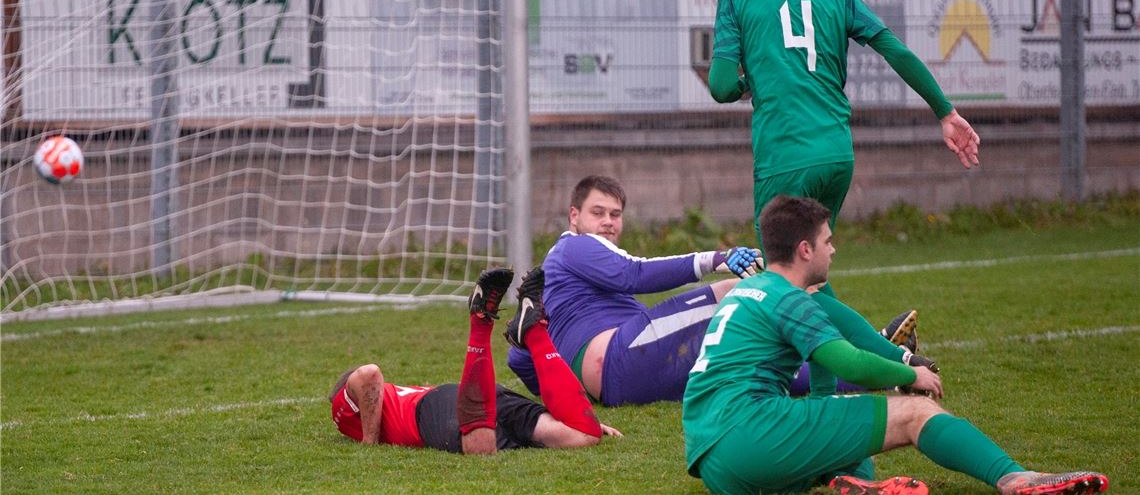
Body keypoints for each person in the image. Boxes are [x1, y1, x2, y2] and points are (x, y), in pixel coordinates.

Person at [709, 0, 980, 396]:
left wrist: (751, 80)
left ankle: (900, 362)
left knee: (788, 278)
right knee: (810, 277)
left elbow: (722, 86)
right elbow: (892, 47)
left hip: (785, 154)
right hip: (836, 151)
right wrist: (945, 112)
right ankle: (826, 394)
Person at [683, 195, 1110, 495]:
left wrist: (833, 399)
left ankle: (856, 484)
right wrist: (910, 373)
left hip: (714, 459)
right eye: (828, 241)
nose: (834, 249)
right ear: (805, 249)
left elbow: (827, 358)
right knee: (916, 413)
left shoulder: (749, 290)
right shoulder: (790, 300)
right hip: (751, 435)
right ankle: (1015, 478)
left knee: (844, 423)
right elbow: (849, 363)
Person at [506, 175, 914, 406]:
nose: (609, 222)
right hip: (622, 359)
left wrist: (571, 390)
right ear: (573, 216)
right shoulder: (573, 247)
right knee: (752, 289)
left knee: (754, 371)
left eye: (616, 214)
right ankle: (883, 350)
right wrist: (715, 257)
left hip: (626, 377)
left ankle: (876, 371)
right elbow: (634, 274)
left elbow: (518, 357)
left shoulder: (560, 283)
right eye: (598, 213)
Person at [329, 266, 621, 453]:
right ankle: (533, 332)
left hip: (432, 411)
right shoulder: (382, 399)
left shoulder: (343, 406)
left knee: (480, 449)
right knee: (583, 435)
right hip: (476, 396)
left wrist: (369, 443)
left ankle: (481, 323)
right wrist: (578, 414)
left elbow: (367, 374)